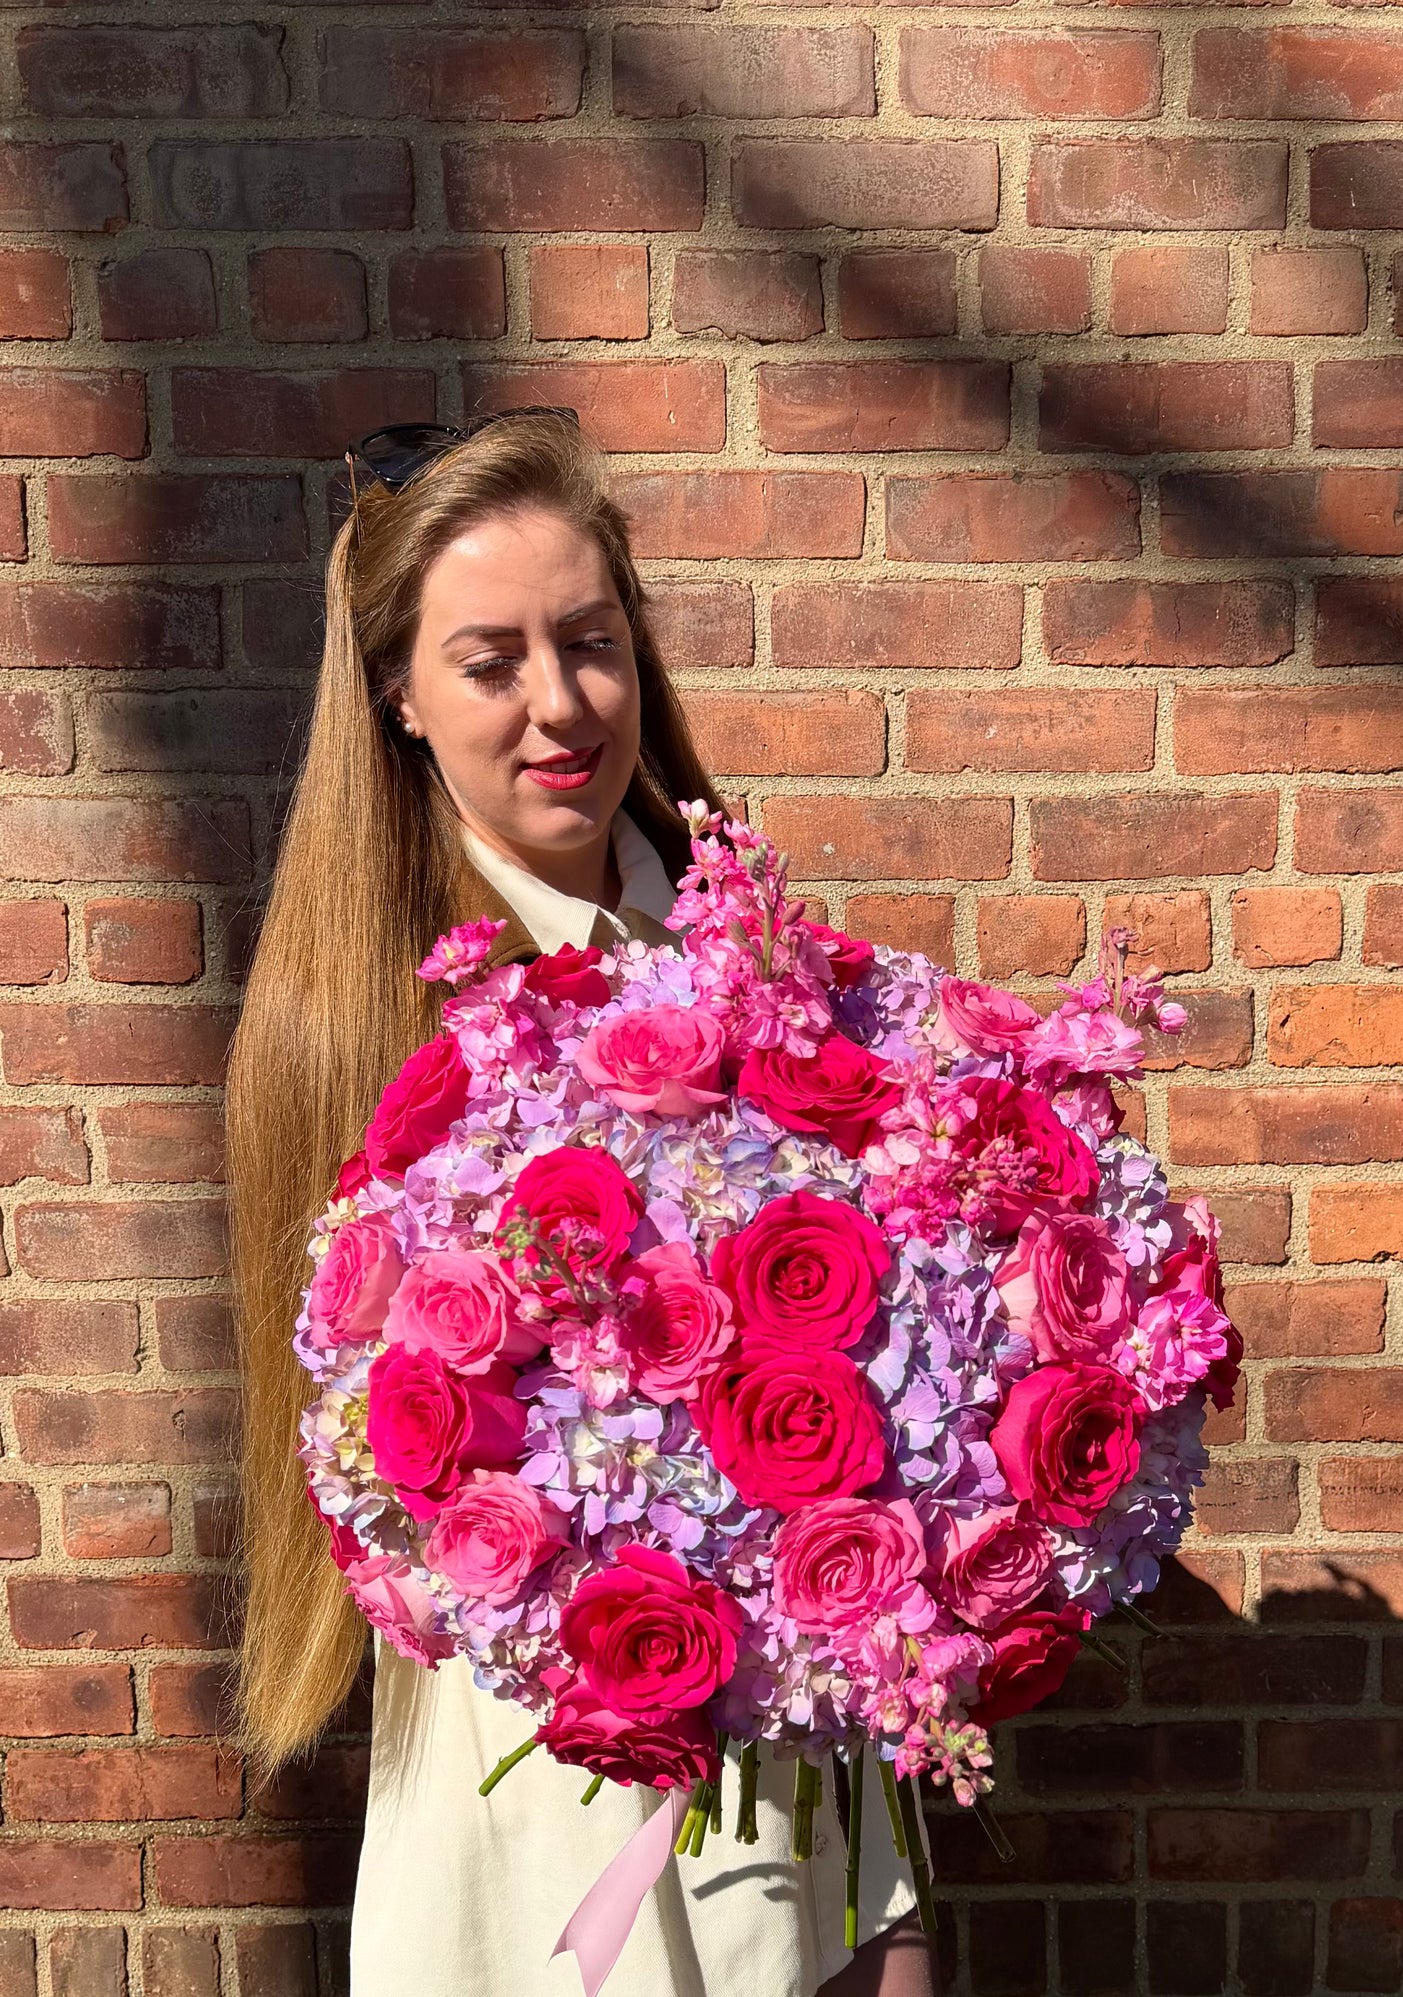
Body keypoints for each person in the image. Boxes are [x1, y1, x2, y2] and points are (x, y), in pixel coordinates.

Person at [226, 409, 941, 1997]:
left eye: (592, 643)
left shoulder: (727, 931)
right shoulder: (359, 1019)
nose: (560, 705)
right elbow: (368, 1478)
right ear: (398, 697)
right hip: (548, 1768)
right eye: (491, 661)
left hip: (804, 1730)